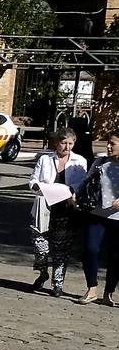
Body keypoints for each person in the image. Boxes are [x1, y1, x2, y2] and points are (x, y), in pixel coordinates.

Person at [28, 128, 88, 297]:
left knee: (61, 248)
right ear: (57, 143)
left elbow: (81, 184)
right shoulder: (45, 159)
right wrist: (35, 185)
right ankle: (42, 272)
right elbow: (33, 179)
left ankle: (57, 283)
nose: (67, 147)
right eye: (63, 143)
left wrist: (70, 189)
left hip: (65, 207)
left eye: (70, 143)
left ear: (74, 143)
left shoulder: (79, 161)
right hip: (44, 205)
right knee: (40, 245)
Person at [78, 132, 119, 305]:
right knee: (90, 249)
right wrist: (75, 196)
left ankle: (108, 292)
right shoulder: (100, 162)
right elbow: (85, 183)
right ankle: (91, 288)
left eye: (113, 144)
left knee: (116, 255)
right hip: (97, 213)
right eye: (108, 143)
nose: (108, 147)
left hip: (118, 218)